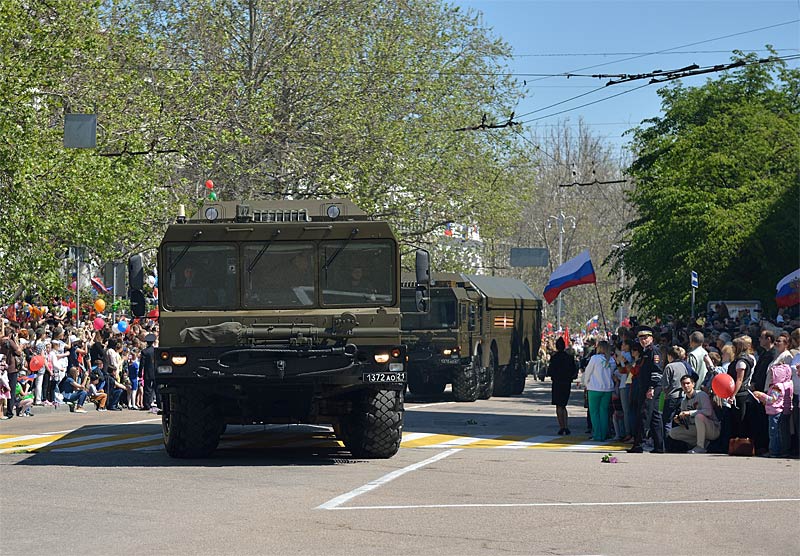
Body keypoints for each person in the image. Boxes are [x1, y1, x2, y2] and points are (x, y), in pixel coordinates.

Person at [628, 326, 665, 453]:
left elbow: (657, 371)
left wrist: (651, 387)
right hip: (646, 387)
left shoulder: (653, 352)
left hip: (651, 388)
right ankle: (659, 446)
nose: (643, 340)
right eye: (641, 338)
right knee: (655, 417)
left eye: (646, 337)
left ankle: (639, 445)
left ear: (651, 338)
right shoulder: (645, 352)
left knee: (644, 415)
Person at [668, 374, 720, 453]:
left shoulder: (701, 395)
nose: (686, 386)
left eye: (688, 383)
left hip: (712, 429)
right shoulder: (684, 402)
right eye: (683, 384)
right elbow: (688, 423)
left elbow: (708, 412)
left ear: (693, 384)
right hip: (697, 428)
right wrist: (680, 421)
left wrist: (689, 413)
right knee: (673, 432)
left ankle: (700, 447)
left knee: (699, 417)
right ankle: (703, 443)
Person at [752, 363, 794, 457]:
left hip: (775, 411)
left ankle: (774, 451)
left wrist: (761, 395)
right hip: (783, 410)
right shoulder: (787, 384)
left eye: (773, 375)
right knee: (783, 432)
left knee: (773, 432)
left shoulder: (777, 387)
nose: (771, 377)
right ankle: (784, 451)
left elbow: (772, 399)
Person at [582, 340, 615, 442]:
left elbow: (588, 372)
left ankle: (597, 434)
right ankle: (604, 434)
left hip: (594, 388)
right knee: (604, 411)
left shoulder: (595, 358)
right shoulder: (611, 360)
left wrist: (585, 383)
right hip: (608, 388)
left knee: (594, 412)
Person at [546, 337, 577, 435]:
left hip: (557, 383)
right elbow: (574, 371)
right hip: (566, 383)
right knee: (563, 405)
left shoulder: (554, 358)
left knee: (558, 406)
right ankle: (566, 426)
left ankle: (561, 426)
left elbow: (550, 371)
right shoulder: (569, 357)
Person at [661, 345, 689, 449]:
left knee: (667, 421)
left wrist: (665, 391)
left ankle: (668, 444)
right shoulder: (683, 365)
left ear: (670, 356)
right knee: (678, 421)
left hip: (671, 396)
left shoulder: (669, 367)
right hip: (681, 396)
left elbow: (665, 384)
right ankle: (678, 444)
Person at [0, 322, 23, 420]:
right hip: (12, 368)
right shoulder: (10, 342)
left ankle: (2, 409)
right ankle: (10, 411)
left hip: (3, 367)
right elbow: (18, 351)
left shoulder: (1, 341)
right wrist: (17, 342)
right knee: (11, 389)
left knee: (2, 389)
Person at [141, 334, 157, 411]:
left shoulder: (144, 351)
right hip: (155, 372)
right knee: (156, 389)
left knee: (147, 389)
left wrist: (140, 372)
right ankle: (160, 404)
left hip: (147, 372)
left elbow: (142, 363)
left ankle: (147, 404)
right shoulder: (156, 351)